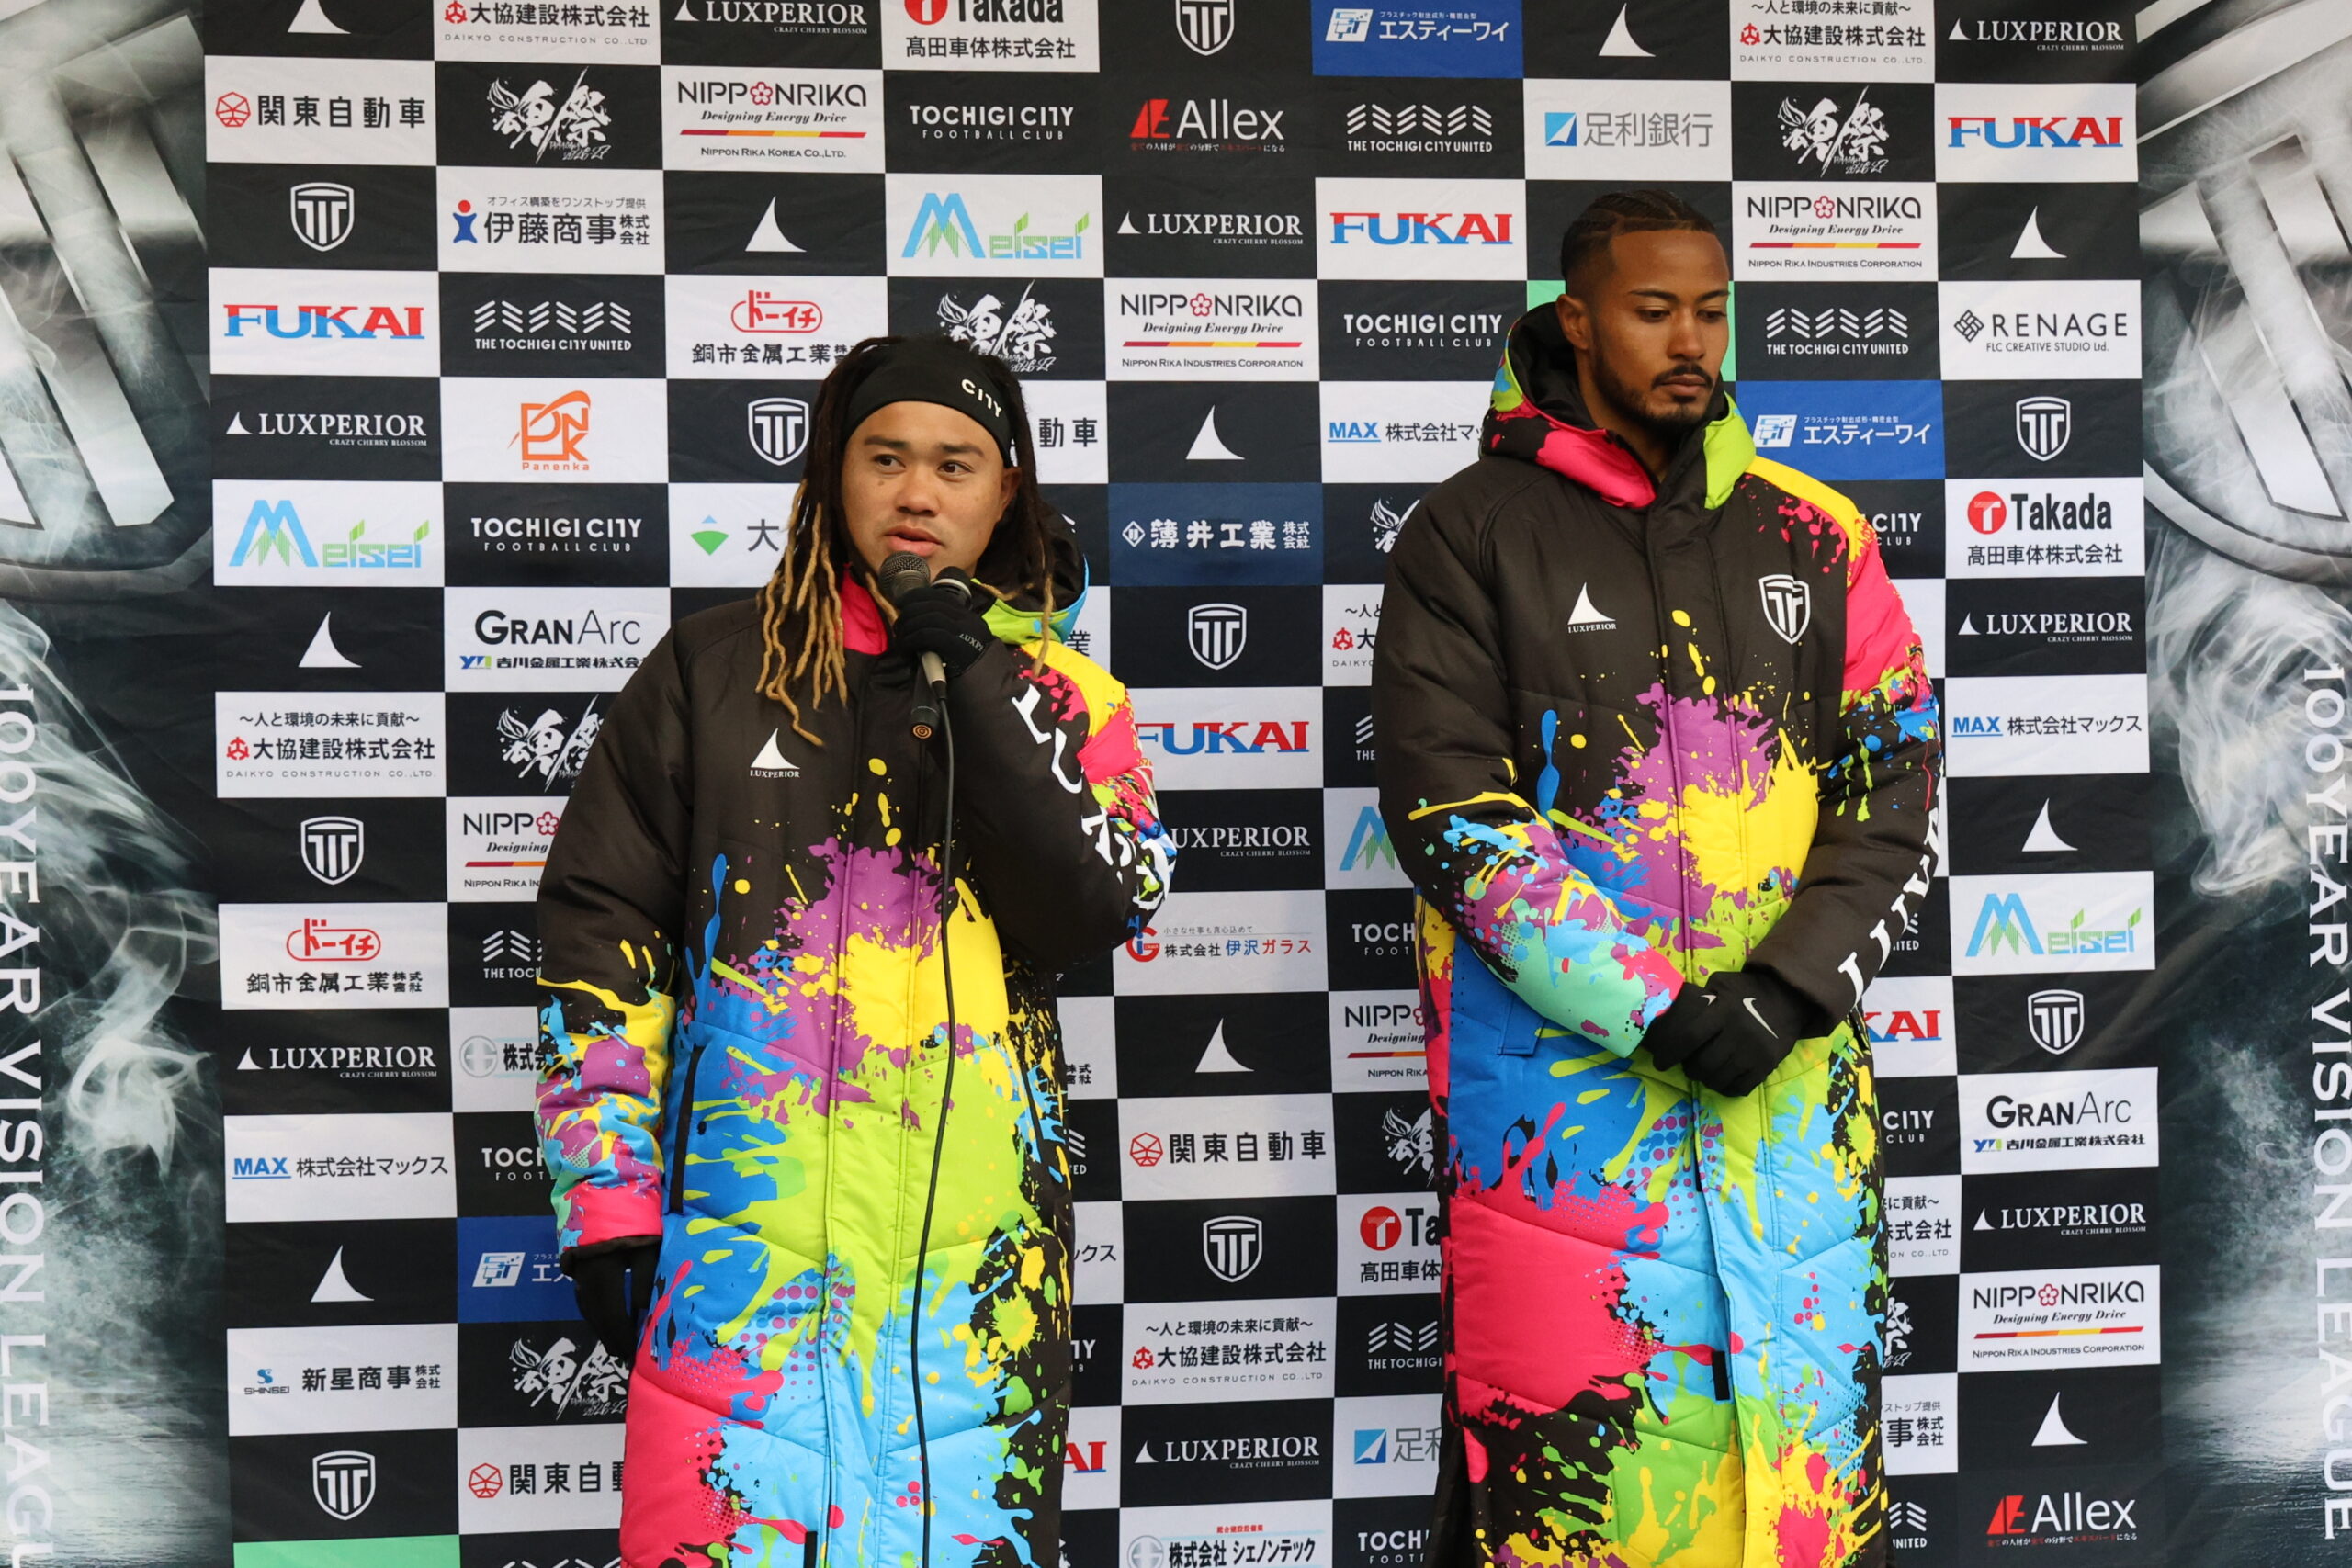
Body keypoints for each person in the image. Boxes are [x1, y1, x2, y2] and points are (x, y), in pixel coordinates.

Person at [532, 334, 1174, 1568]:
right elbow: (599, 939)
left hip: (978, 1284)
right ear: (834, 476)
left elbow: (1103, 905)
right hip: (747, 1265)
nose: (917, 492)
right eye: (885, 458)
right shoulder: (711, 671)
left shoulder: (1068, 698)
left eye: (955, 465)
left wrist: (981, 684)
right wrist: (606, 1196)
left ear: (1007, 494)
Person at [1373, 189, 1939, 1566]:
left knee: (1803, 1509)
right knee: (1590, 1511)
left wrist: (1787, 993)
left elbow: (1896, 781)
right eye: (1652, 310)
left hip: (1791, 1115)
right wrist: (1656, 1011)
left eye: (1711, 311)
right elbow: (1453, 816)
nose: (1691, 341)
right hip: (1566, 1139)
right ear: (1577, 321)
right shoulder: (1467, 530)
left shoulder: (1816, 530)